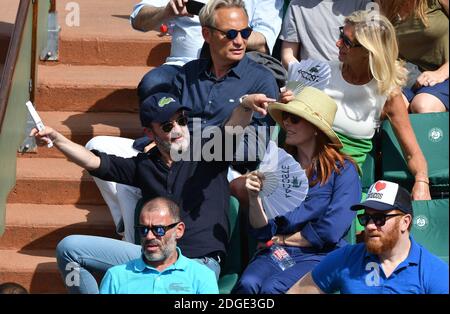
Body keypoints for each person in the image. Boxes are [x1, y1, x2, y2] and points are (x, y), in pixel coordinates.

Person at [32, 91, 273, 293]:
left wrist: (244, 105)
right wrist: (58, 139)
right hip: (149, 256)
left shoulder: (208, 151)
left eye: (182, 120)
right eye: (168, 125)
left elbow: (232, 128)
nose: (178, 129)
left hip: (197, 264)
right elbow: (93, 162)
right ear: (150, 133)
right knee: (69, 249)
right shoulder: (143, 165)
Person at [88, 0, 280, 243]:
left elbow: (253, 148)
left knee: (134, 181)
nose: (240, 41)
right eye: (231, 34)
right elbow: (167, 123)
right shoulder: (187, 73)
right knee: (98, 146)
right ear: (207, 34)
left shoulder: (261, 80)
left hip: (219, 166)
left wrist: (203, 146)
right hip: (174, 154)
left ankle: (135, 245)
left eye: (245, 33)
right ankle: (131, 235)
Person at [280, 10, 431, 201]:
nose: (338, 44)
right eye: (341, 35)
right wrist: (286, 104)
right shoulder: (319, 73)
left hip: (344, 185)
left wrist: (421, 181)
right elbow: (284, 120)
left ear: (370, 51)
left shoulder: (388, 94)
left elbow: (413, 154)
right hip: (306, 175)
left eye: (347, 42)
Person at [232, 87, 362, 294]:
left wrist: (282, 239)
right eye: (286, 117)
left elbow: (331, 230)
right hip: (276, 251)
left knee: (273, 289)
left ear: (315, 128)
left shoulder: (344, 171)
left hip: (320, 254)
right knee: (248, 284)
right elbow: (263, 232)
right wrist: (254, 198)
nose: (286, 123)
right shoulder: (277, 165)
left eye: (295, 119)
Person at [287, 180, 449, 294]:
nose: (370, 226)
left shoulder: (433, 271)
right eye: (365, 218)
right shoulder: (346, 258)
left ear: (405, 222)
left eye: (379, 218)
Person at [131, 0, 284, 102]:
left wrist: (228, 34)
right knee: (153, 84)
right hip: (181, 65)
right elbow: (138, 20)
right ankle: (162, 142)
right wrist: (166, 12)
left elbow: (264, 40)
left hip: (231, 68)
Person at [99, 197, 218, 294]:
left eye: (159, 229)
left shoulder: (202, 276)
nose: (149, 236)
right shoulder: (116, 277)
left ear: (179, 230)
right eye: (144, 229)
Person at [376, 0, 449, 113]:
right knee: (386, 107)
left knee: (424, 105)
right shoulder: (384, 5)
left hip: (444, 74)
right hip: (411, 76)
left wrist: (442, 72)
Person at [280, 0, 371, 67]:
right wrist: (304, 75)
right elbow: (288, 55)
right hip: (311, 81)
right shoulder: (296, 4)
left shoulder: (362, 2)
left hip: (352, 78)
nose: (338, 44)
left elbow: (374, 48)